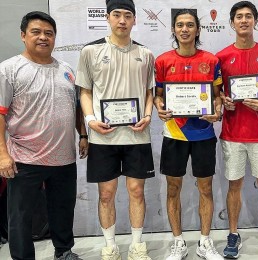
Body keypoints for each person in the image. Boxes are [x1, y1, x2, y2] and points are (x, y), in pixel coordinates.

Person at [0, 11, 88, 260]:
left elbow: (76, 107)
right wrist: (2, 154)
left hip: (64, 157)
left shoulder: (67, 70)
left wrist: (83, 135)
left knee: (62, 210)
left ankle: (64, 252)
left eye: (49, 33)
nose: (43, 37)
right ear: (23, 35)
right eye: (36, 32)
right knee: (20, 215)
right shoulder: (9, 69)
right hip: (24, 158)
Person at [75, 0, 155, 259]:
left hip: (137, 134)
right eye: (117, 15)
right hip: (103, 136)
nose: (122, 20)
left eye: (128, 16)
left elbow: (149, 91)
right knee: (106, 194)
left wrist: (146, 115)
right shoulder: (90, 51)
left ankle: (137, 245)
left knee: (136, 191)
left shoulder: (146, 54)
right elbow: (85, 91)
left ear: (134, 20)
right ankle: (110, 246)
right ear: (108, 18)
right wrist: (89, 120)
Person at [215, 1, 258, 259]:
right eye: (239, 17)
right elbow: (216, 94)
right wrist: (223, 100)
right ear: (232, 23)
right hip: (232, 134)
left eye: (248, 16)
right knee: (234, 185)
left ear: (255, 21)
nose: (244, 21)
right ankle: (233, 234)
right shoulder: (221, 57)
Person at [153, 9, 223, 260]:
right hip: (175, 133)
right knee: (173, 188)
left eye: (190, 25)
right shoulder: (162, 61)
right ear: (173, 30)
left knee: (205, 188)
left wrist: (217, 112)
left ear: (197, 30)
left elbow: (218, 98)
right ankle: (178, 241)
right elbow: (158, 95)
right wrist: (159, 108)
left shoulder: (212, 61)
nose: (184, 29)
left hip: (203, 133)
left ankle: (205, 242)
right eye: (180, 25)